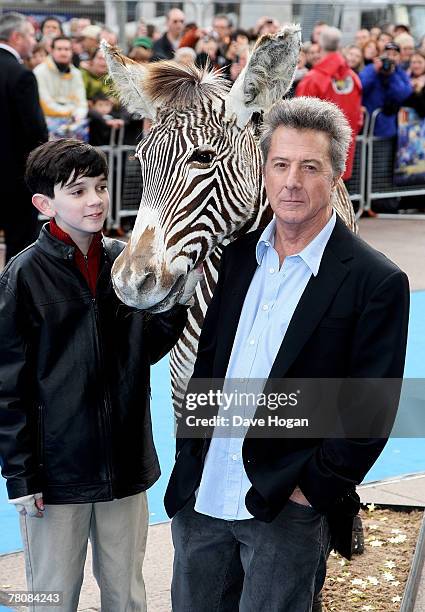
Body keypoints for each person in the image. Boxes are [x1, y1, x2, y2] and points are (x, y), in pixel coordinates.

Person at [165, 97, 409, 611]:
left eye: (309, 166)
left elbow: (369, 411)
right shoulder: (233, 258)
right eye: (280, 164)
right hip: (202, 500)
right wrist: (192, 459)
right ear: (264, 170)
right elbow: (207, 367)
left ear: (338, 172)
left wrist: (310, 492)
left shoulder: (375, 281)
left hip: (285, 509)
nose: (291, 181)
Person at [0, 138, 189, 612]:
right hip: (56, 475)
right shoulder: (22, 276)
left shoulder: (125, 261)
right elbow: (9, 389)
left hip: (124, 466)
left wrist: (175, 305)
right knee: (50, 596)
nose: (95, 200)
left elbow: (143, 351)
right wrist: (22, 478)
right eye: (78, 191)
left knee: (126, 594)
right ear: (44, 205)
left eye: (101, 187)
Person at [0, 12, 48, 261]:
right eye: (30, 35)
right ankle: (15, 297)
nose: (33, 41)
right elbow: (35, 132)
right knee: (19, 246)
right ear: (17, 37)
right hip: (15, 179)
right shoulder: (21, 75)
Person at [296, 27, 363, 181]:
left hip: (314, 161)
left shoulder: (312, 79)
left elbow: (299, 120)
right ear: (339, 46)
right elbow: (358, 118)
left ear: (319, 46)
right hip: (342, 156)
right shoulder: (353, 79)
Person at [34, 35, 88, 140]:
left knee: (81, 127)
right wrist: (70, 112)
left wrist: (78, 115)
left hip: (73, 119)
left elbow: (82, 103)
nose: (63, 53)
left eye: (67, 49)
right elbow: (45, 104)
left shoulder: (76, 73)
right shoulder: (39, 72)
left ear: (71, 52)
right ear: (52, 51)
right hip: (48, 119)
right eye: (59, 49)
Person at [360, 41, 412, 137]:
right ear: (381, 55)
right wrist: (374, 71)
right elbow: (361, 87)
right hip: (366, 125)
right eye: (388, 54)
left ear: (400, 58)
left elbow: (402, 95)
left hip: (387, 128)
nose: (391, 57)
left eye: (395, 55)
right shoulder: (370, 69)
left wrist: (391, 76)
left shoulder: (401, 74)